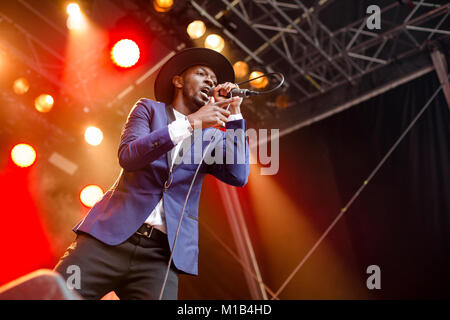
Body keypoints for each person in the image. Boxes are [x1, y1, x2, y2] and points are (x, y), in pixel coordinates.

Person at [54, 47, 250, 300]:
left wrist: (235, 114)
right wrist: (190, 123)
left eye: (213, 80)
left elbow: (238, 175)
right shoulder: (148, 110)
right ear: (178, 80)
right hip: (107, 239)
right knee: (56, 295)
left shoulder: (212, 136)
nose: (210, 81)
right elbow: (129, 156)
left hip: (160, 257)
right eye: (202, 74)